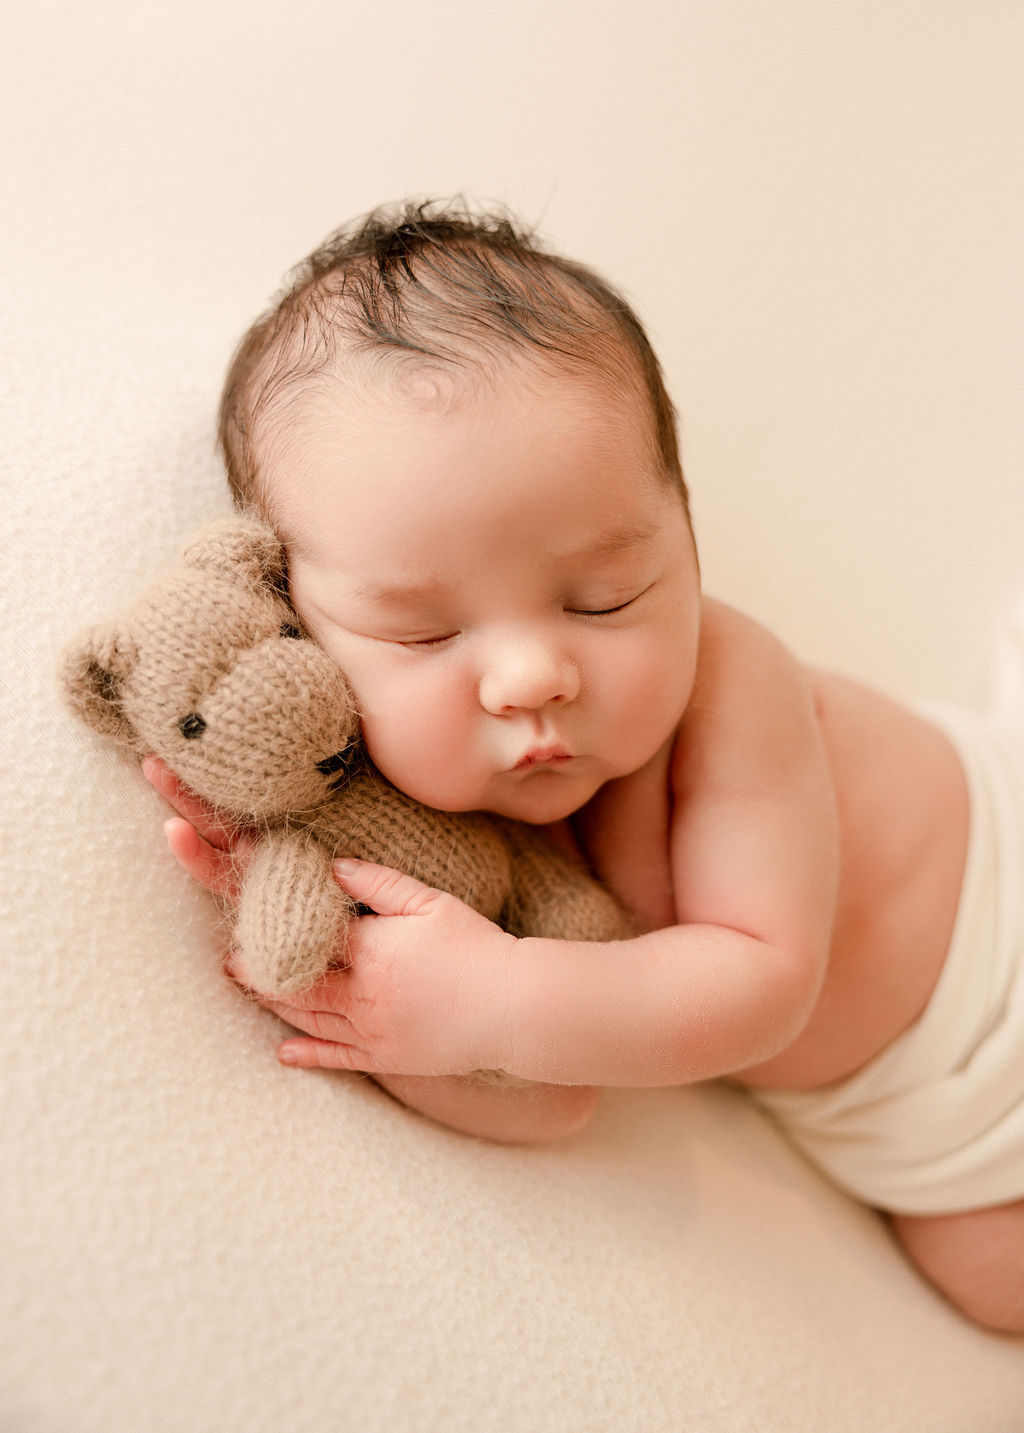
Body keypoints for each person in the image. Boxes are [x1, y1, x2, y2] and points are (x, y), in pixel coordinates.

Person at [145, 200, 1024, 1332]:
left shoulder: (730, 683)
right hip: (927, 1118)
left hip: (1000, 898)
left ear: (686, 531)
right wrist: (395, 1016)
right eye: (422, 634)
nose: (528, 675)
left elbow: (760, 980)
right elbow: (552, 1101)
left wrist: (496, 998)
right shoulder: (434, 819)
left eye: (603, 597)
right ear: (298, 621)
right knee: (992, 1283)